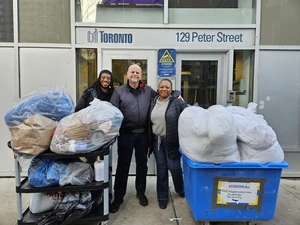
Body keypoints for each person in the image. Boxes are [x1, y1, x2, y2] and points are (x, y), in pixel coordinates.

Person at [109, 64, 157, 213]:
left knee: (142, 165)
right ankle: (118, 196)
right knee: (123, 165)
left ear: (141, 76)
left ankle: (140, 192)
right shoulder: (119, 92)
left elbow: (163, 95)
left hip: (143, 134)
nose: (135, 74)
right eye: (132, 72)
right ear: (127, 74)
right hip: (126, 134)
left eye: (138, 72)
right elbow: (112, 112)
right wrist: (113, 129)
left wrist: (177, 94)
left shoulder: (148, 91)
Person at [149, 78, 187, 209]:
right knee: (161, 169)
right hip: (157, 141)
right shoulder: (153, 101)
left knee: (174, 167)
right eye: (162, 87)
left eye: (167, 87)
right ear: (158, 88)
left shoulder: (177, 102)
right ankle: (162, 196)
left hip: (172, 141)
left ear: (171, 90)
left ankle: (180, 189)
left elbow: (188, 116)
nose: (164, 89)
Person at [74, 69, 114, 164]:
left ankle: (103, 177)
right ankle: (90, 174)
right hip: (91, 131)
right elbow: (78, 109)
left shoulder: (113, 93)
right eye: (103, 77)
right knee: (91, 155)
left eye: (108, 78)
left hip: (107, 131)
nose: (106, 80)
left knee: (105, 156)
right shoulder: (90, 93)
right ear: (99, 79)